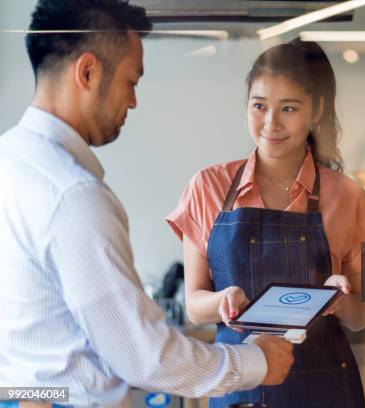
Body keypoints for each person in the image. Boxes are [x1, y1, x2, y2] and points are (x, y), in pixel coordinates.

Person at [0, 1, 294, 406]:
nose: (134, 101)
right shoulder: (73, 195)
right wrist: (255, 362)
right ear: (87, 72)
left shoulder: (9, 159)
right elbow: (144, 356)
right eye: (131, 81)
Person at [166, 39, 365, 407]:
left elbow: (360, 318)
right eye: (259, 106)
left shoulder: (348, 198)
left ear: (316, 110)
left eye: (289, 108)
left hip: (326, 389)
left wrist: (338, 298)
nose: (271, 123)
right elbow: (194, 305)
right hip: (240, 387)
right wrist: (224, 300)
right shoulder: (208, 187)